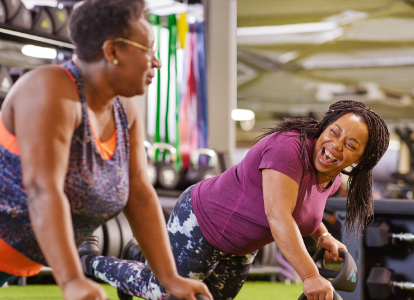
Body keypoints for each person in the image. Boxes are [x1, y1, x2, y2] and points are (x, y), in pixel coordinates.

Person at [0, 0, 211, 299]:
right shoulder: (50, 89)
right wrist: (72, 279)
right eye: (148, 50)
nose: (157, 62)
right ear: (112, 51)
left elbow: (139, 195)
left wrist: (169, 278)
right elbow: (42, 189)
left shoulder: (125, 111)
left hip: (2, 259)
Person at [79, 100, 390, 300]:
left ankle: (143, 255)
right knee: (167, 294)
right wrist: (309, 276)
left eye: (349, 144)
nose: (334, 146)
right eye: (333, 132)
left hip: (240, 246)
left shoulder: (332, 177)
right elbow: (279, 216)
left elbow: (302, 210)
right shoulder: (288, 149)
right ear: (324, 125)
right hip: (201, 222)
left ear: (362, 159)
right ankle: (90, 261)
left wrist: (323, 236)